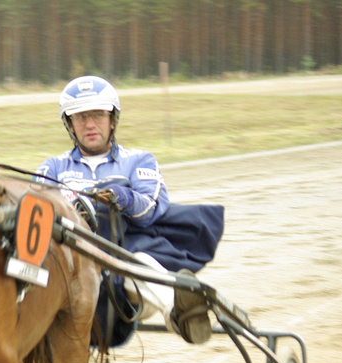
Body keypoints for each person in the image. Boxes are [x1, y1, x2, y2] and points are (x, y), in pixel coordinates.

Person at [36, 75, 219, 346]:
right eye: (80, 117)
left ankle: (180, 314)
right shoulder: (52, 168)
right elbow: (35, 213)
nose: (90, 124)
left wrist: (124, 197)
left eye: (98, 114)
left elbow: (150, 210)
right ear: (70, 124)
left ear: (112, 119)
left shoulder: (138, 160)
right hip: (68, 274)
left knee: (140, 263)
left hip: (124, 281)